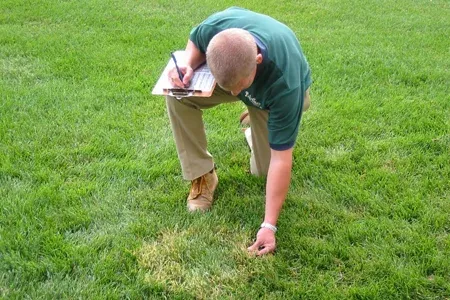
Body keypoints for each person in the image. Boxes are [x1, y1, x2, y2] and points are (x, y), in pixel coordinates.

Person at [165, 7, 311, 256]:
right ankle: (203, 175)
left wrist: (269, 226)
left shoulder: (285, 84)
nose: (233, 95)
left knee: (264, 171)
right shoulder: (216, 29)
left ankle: (261, 122)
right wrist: (188, 65)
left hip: (272, 93)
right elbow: (195, 41)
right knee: (178, 96)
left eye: (238, 89)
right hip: (243, 76)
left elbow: (282, 160)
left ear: (258, 60)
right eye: (228, 89)